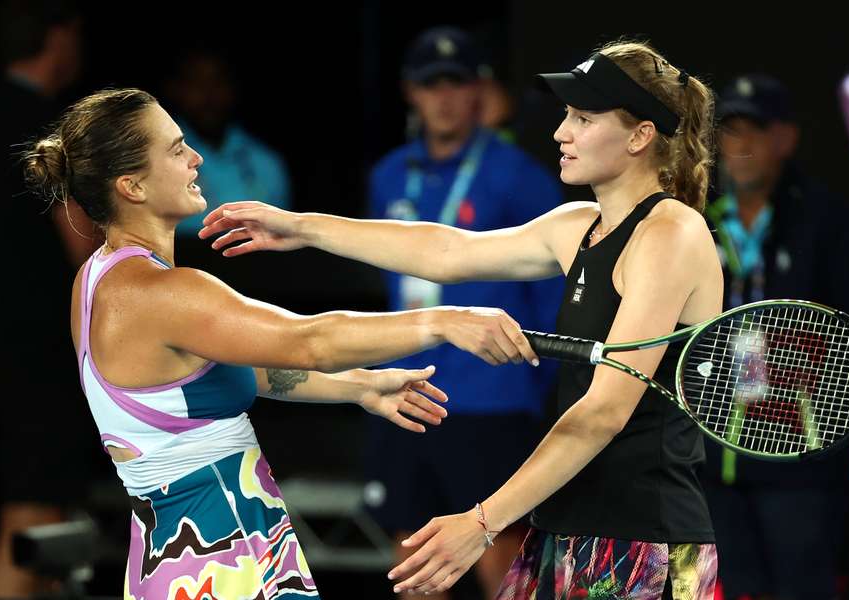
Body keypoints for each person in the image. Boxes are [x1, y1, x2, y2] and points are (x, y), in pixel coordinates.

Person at [199, 39, 722, 598]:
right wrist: (303, 229)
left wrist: (481, 522)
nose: (560, 133)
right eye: (567, 115)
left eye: (584, 118)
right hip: (568, 524)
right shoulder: (578, 225)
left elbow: (602, 413)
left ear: (641, 135)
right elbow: (444, 251)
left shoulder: (671, 233)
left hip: (646, 539)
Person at [20, 87, 540, 599]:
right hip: (224, 568)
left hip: (181, 568)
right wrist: (443, 321)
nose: (196, 158)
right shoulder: (162, 293)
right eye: (177, 149)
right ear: (132, 186)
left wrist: (355, 386)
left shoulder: (96, 280)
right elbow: (308, 340)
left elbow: (237, 370)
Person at [361, 25, 563, 599]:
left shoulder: (522, 178)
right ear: (410, 93)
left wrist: (541, 391)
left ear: (481, 92)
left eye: (456, 84)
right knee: (413, 551)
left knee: (498, 548)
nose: (444, 99)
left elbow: (553, 299)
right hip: (405, 389)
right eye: (431, 85)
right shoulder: (389, 176)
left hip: (493, 401)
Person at [702, 73, 849, 600]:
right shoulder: (695, 223)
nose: (743, 144)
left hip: (802, 460)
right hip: (713, 454)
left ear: (786, 138)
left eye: (757, 129)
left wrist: (833, 443)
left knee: (805, 587)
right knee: (730, 588)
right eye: (730, 129)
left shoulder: (831, 223)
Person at [0, 1, 100, 595]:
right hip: (38, 349)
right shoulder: (38, 125)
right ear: (60, 34)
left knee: (47, 526)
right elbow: (83, 244)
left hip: (4, 342)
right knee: (32, 521)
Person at [164, 48, 293, 239]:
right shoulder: (158, 158)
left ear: (233, 88)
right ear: (175, 88)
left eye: (217, 82)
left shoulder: (266, 162)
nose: (208, 94)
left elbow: (282, 237)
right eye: (196, 83)